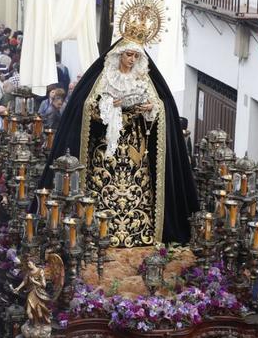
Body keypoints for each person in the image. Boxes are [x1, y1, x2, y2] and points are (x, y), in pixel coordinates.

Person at [38, 17, 199, 246]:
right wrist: (107, 106)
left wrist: (152, 108)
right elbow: (86, 108)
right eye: (128, 55)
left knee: (138, 194)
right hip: (105, 153)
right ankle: (97, 236)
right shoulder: (104, 78)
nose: (131, 60)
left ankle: (138, 236)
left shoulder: (144, 80)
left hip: (135, 153)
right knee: (101, 194)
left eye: (136, 56)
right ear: (119, 54)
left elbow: (163, 110)